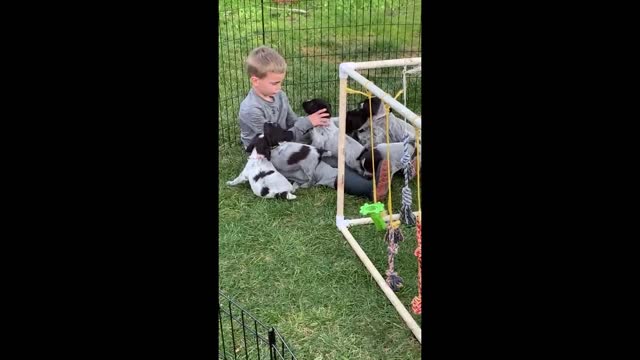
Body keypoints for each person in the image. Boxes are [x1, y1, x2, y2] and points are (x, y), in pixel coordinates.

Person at [237, 45, 390, 200]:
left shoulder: (279, 95)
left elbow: (293, 121)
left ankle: (369, 166)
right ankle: (368, 189)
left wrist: (315, 124)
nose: (279, 87)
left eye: (281, 82)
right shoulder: (250, 109)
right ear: (255, 81)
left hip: (287, 139)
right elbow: (272, 140)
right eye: (275, 83)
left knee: (327, 135)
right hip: (267, 152)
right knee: (314, 163)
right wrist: (308, 122)